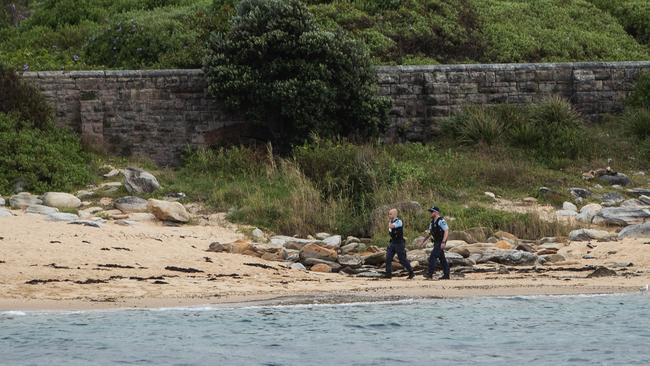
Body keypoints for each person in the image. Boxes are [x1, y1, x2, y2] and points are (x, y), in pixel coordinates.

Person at [419, 206, 450, 280]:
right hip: (436, 242)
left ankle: (430, 274)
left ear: (436, 212)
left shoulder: (441, 221)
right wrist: (423, 241)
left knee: (433, 256)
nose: (431, 213)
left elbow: (446, 231)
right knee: (442, 258)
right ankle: (446, 274)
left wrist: (443, 242)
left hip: (440, 241)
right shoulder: (432, 222)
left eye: (432, 212)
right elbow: (429, 233)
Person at [385, 208, 415, 279]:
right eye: (389, 214)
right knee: (388, 258)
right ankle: (388, 274)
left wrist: (389, 223)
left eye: (390, 214)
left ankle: (411, 272)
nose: (389, 215)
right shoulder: (391, 221)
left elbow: (391, 226)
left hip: (399, 243)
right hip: (392, 242)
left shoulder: (399, 221)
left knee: (402, 259)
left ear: (395, 214)